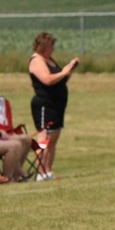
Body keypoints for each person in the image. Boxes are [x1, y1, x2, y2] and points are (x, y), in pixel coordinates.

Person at [28, 32, 80, 181]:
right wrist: (63, 72)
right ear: (43, 46)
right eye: (51, 45)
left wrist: (69, 69)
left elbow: (60, 79)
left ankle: (47, 171)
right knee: (45, 138)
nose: (53, 49)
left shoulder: (49, 59)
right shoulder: (36, 61)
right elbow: (47, 80)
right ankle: (40, 172)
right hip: (45, 105)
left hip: (57, 105)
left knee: (54, 139)